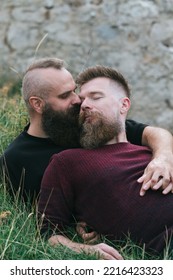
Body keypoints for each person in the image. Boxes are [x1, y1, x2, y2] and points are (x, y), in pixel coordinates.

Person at [38, 65, 173, 260]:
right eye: (82, 100)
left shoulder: (156, 153)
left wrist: (164, 158)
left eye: (96, 97)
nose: (84, 105)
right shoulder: (67, 162)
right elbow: (47, 233)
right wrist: (88, 250)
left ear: (124, 105)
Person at [0, 57, 173, 204]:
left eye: (74, 90)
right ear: (37, 104)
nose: (78, 100)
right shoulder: (15, 161)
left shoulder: (86, 123)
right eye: (64, 95)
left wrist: (163, 158)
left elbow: (155, 133)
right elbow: (40, 217)